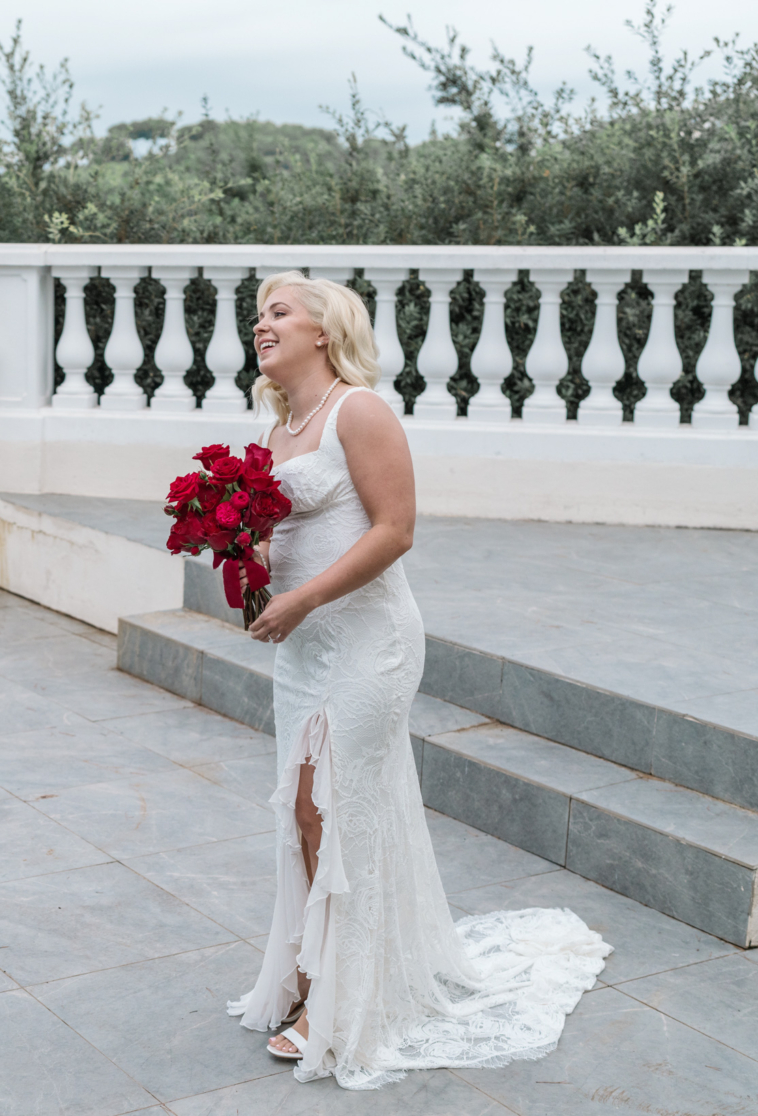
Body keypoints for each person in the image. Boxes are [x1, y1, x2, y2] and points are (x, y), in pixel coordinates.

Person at [226, 271, 610, 1089]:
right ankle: (308, 969)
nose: (262, 324)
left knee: (338, 806)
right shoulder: (274, 431)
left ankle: (338, 999)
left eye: (279, 312)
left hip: (369, 641)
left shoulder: (356, 410)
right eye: (258, 314)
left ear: (323, 330)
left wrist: (301, 596)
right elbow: (286, 536)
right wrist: (249, 565)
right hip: (302, 647)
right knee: (299, 806)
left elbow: (396, 530)